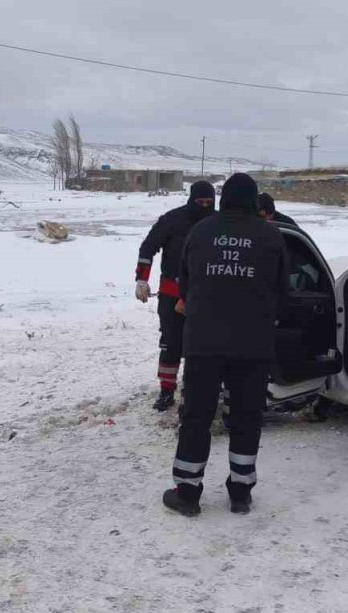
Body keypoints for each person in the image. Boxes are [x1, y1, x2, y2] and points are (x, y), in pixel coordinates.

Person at [164, 173, 288, 516]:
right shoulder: (271, 235)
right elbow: (283, 289)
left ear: (223, 198)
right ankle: (240, 491)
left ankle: (187, 492)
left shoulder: (200, 232)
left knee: (197, 416)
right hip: (253, 345)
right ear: (252, 200)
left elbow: (184, 286)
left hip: (204, 344)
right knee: (247, 417)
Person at [135, 180, 216, 411]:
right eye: (199, 202)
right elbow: (147, 248)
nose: (204, 206)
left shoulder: (217, 222)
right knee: (171, 343)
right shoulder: (172, 220)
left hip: (206, 296)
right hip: (172, 293)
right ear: (191, 199)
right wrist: (142, 278)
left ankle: (195, 389)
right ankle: (166, 390)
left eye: (209, 202)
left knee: (201, 346)